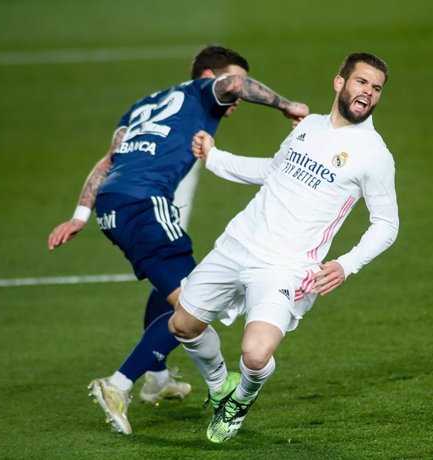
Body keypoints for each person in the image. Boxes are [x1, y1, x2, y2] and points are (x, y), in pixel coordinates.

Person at [47, 45, 309, 435]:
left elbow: (107, 162)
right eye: (230, 91)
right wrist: (287, 106)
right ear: (209, 77)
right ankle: (120, 384)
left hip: (113, 207)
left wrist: (80, 215)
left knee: (174, 287)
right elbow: (234, 81)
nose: (235, 99)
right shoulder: (202, 91)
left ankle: (157, 376)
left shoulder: (141, 106)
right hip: (145, 204)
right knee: (193, 307)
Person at [168, 52, 399, 443]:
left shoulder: (375, 155)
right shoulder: (308, 126)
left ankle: (241, 400)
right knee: (183, 325)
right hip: (239, 242)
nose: (368, 92)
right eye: (362, 82)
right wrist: (216, 159)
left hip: (286, 266)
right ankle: (221, 385)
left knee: (255, 355)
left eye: (376, 88)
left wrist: (347, 264)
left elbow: (387, 224)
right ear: (339, 82)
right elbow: (272, 171)